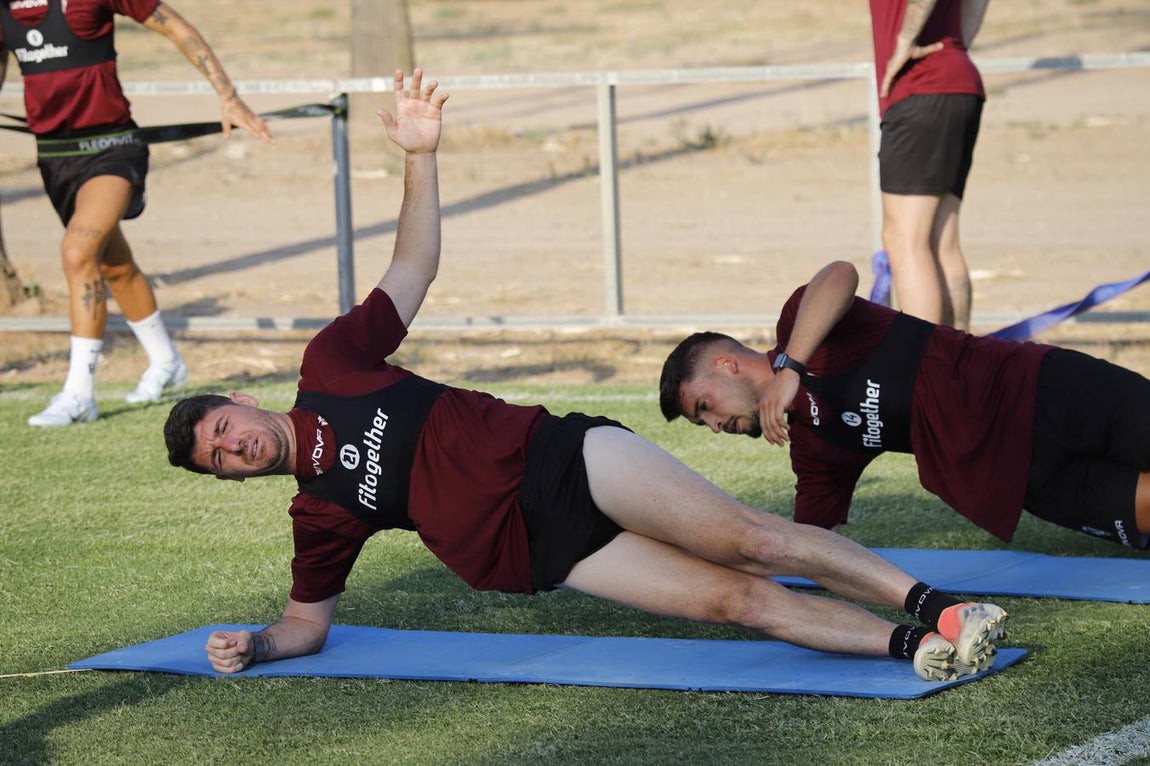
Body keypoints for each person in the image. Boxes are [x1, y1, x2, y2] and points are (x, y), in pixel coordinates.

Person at [163, 71, 1007, 682]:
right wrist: (258, 644)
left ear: (240, 402)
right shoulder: (320, 515)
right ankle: (914, 649)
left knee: (749, 540)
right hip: (550, 550)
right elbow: (306, 624)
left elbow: (413, 265)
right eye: (221, 460)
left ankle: (940, 607)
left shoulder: (332, 365)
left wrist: (422, 156)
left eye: (221, 430)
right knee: (735, 602)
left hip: (565, 459)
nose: (234, 447)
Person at [660, 260, 1150, 552]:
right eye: (702, 421)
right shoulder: (814, 446)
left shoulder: (803, 327)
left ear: (726, 365)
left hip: (1044, 389)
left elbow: (839, 274)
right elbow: (812, 540)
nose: (713, 426)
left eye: (704, 407)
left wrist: (792, 368)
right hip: (1025, 477)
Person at [0, 0, 273, 427]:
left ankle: (79, 395)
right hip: (53, 159)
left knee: (77, 252)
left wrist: (229, 96)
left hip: (111, 151)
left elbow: (176, 27)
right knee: (113, 265)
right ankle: (167, 360)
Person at [869, 0, 990, 330]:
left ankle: (926, 371)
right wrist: (956, 47)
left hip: (921, 84)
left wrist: (905, 40)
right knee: (941, 241)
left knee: (904, 239)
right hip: (955, 77)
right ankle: (959, 364)